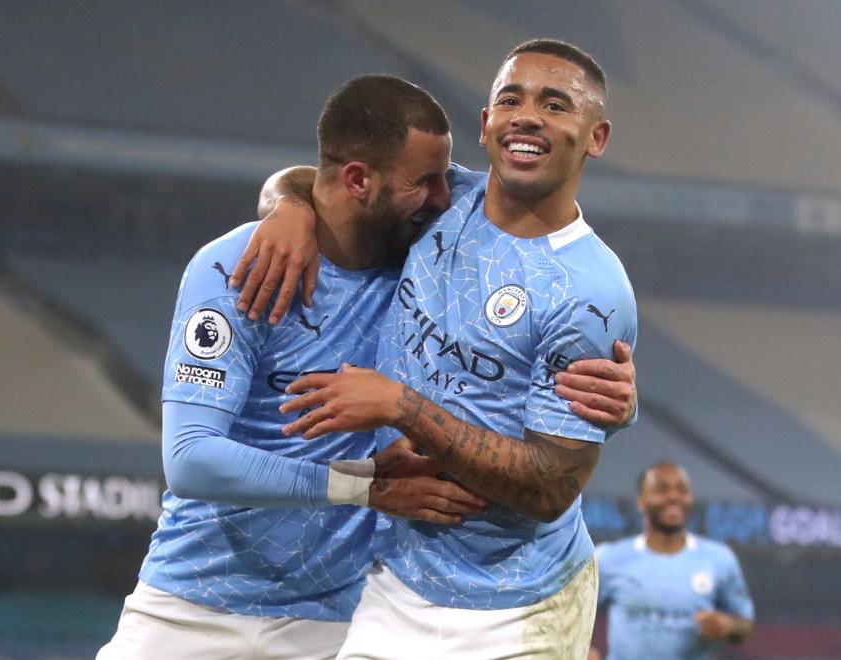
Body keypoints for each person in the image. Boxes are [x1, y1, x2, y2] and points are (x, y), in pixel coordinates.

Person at [98, 74, 632, 660]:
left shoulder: (422, 260)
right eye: (424, 182)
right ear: (358, 181)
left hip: (338, 615)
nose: (443, 198)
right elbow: (191, 460)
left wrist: (610, 390)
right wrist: (363, 485)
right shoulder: (240, 267)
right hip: (192, 600)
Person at [270, 39, 637, 658]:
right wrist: (287, 207)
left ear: (595, 137)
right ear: (486, 124)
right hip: (395, 574)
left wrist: (400, 406)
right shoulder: (443, 198)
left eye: (555, 104)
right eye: (510, 99)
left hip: (517, 601)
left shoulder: (590, 294)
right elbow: (330, 179)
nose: (527, 115)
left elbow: (548, 491)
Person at [590, 462, 754, 659]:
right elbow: (571, 612)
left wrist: (727, 627)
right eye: (662, 490)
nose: (674, 497)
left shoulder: (718, 559)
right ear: (641, 501)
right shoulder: (609, 558)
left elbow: (744, 625)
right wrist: (581, 651)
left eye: (682, 490)